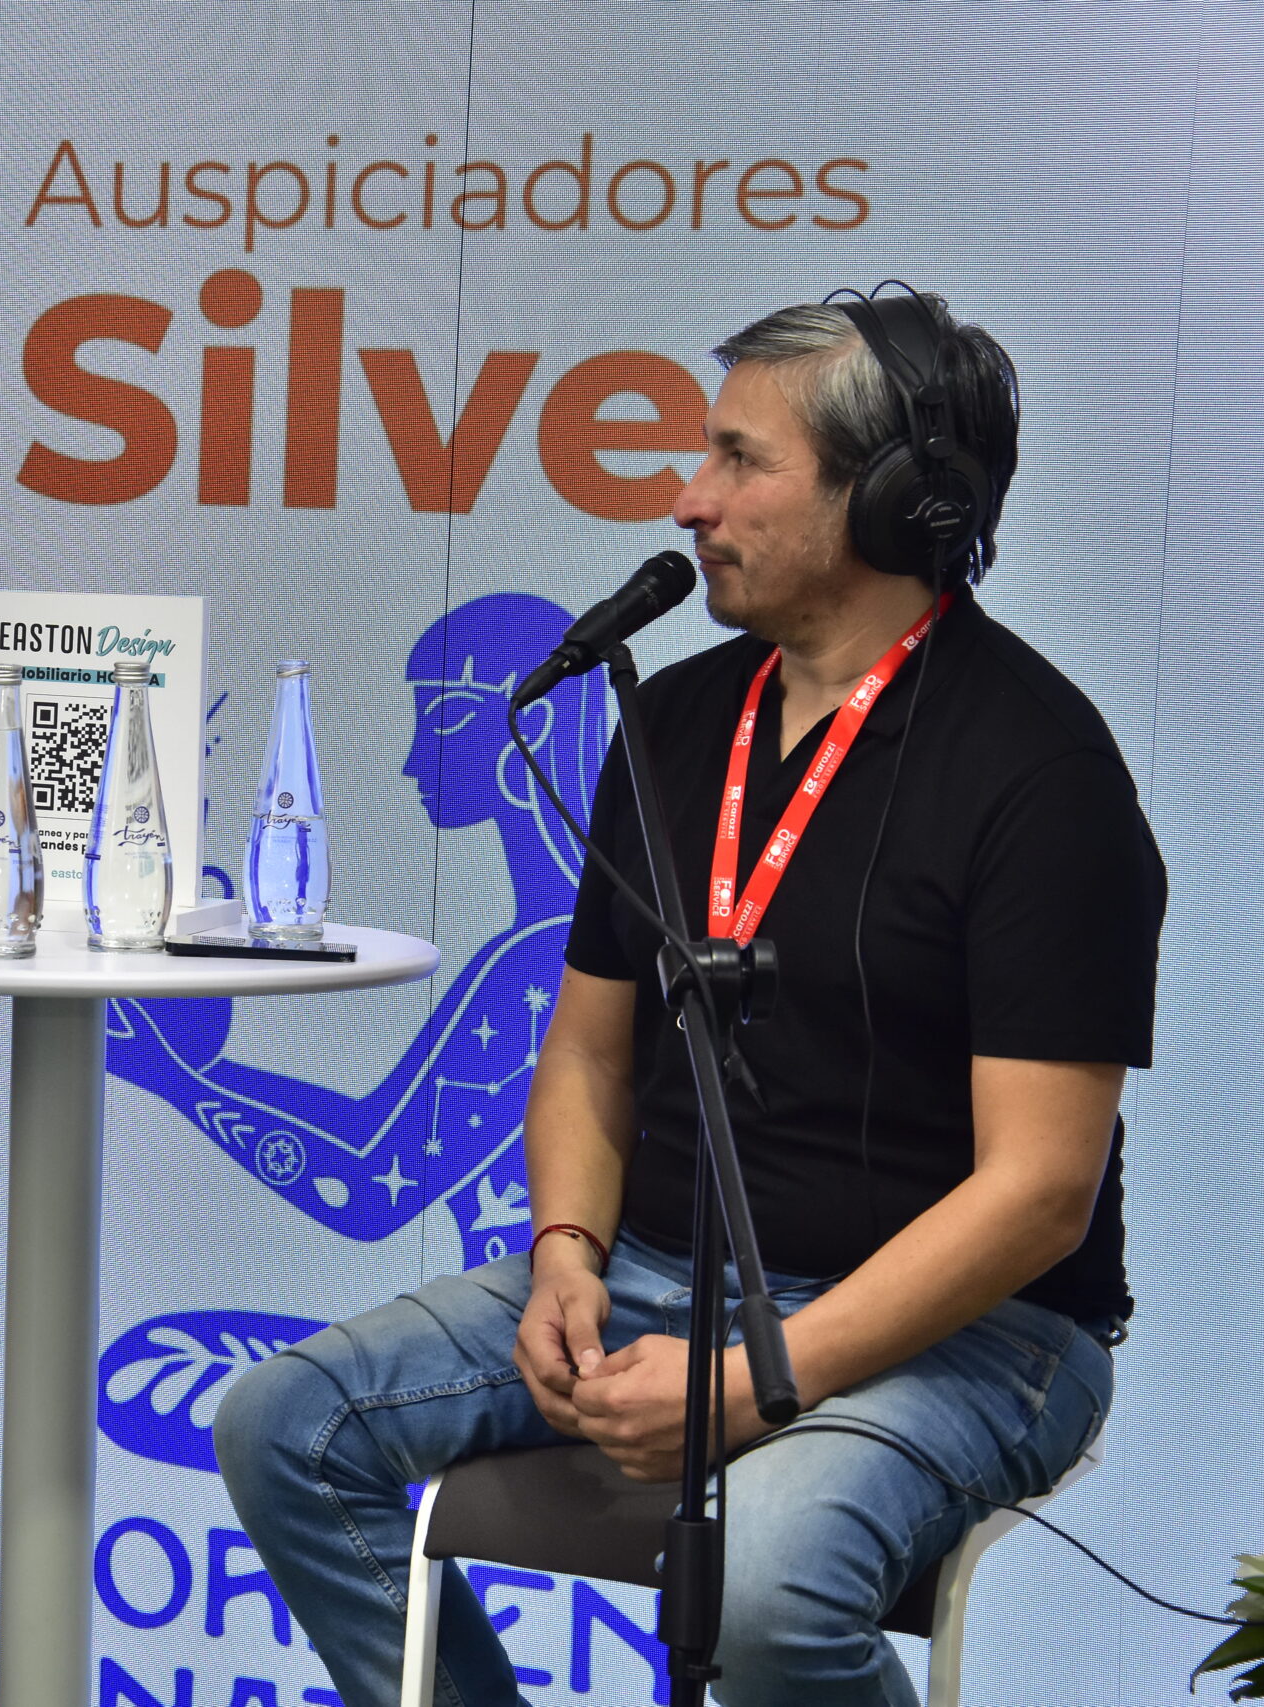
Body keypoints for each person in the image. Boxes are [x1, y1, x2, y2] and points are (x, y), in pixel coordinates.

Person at [211, 290, 1164, 1707]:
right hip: (659, 1272)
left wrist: (746, 1383)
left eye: (737, 459)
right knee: (285, 1425)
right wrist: (565, 1254)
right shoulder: (671, 718)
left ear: (892, 500)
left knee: (767, 1592)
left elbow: (1037, 1193)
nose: (686, 499)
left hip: (973, 1333)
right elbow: (590, 1056)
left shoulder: (1043, 776)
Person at [106, 593, 616, 1261]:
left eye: (444, 720)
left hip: (537, 1313)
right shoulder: (561, 931)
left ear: (536, 725)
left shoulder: (548, 950)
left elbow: (368, 1185)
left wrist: (168, 1070)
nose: (412, 761)